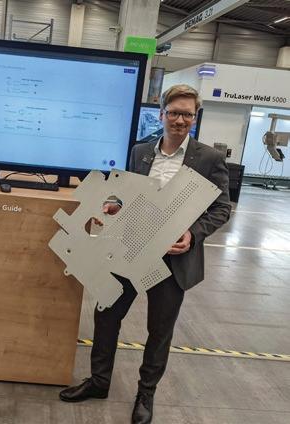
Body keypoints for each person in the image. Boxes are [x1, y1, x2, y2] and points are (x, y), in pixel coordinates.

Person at [59, 84, 231, 424]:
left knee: (159, 330)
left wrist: (193, 234)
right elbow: (126, 195)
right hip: (131, 249)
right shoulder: (140, 152)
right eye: (174, 113)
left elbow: (222, 208)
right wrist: (112, 205)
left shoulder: (209, 159)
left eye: (187, 114)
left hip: (173, 259)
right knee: (106, 315)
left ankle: (145, 394)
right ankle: (99, 382)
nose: (180, 120)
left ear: (194, 118)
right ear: (161, 114)